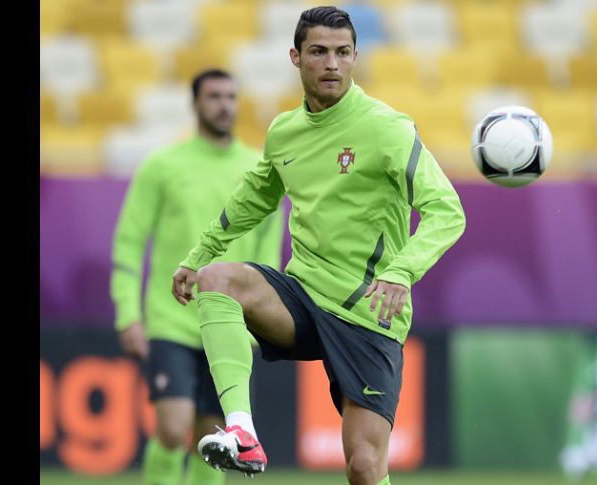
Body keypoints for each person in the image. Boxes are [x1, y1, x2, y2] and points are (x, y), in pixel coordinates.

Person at [171, 7, 465, 485]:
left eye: (342, 53)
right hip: (303, 297)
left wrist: (401, 271)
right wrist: (198, 256)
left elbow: (447, 210)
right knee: (218, 280)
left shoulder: (386, 128)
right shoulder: (285, 132)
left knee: (365, 468)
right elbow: (253, 198)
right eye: (319, 52)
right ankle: (243, 432)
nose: (332, 63)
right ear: (296, 57)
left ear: (355, 56)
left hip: (368, 311)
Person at [110, 68, 284, 485]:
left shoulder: (257, 170)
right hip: (171, 320)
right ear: (194, 104)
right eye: (214, 96)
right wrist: (127, 314)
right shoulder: (163, 166)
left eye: (230, 97)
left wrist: (258, 324)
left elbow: (267, 257)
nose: (224, 105)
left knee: (215, 441)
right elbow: (130, 242)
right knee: (172, 428)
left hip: (227, 326)